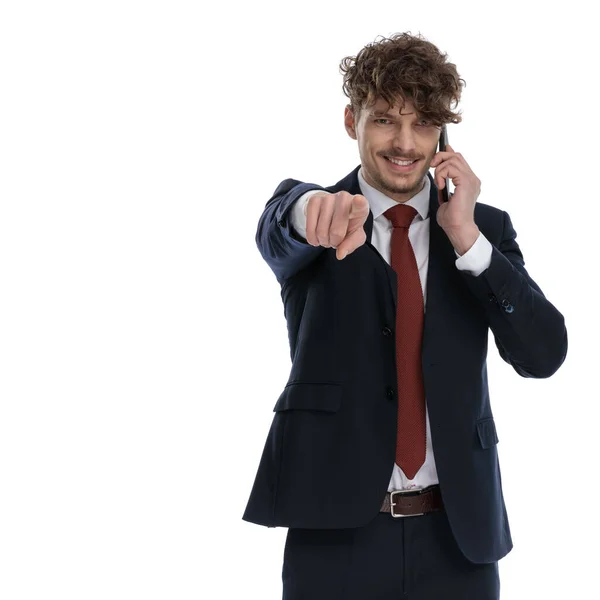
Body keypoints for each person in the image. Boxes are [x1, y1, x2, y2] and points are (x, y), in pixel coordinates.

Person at [241, 32, 568, 600]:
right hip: (334, 537)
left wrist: (468, 239)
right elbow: (279, 229)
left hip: (458, 537)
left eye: (422, 124)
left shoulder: (481, 227)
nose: (405, 142)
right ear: (351, 121)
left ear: (443, 133)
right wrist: (305, 211)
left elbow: (544, 354)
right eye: (386, 120)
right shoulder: (316, 212)